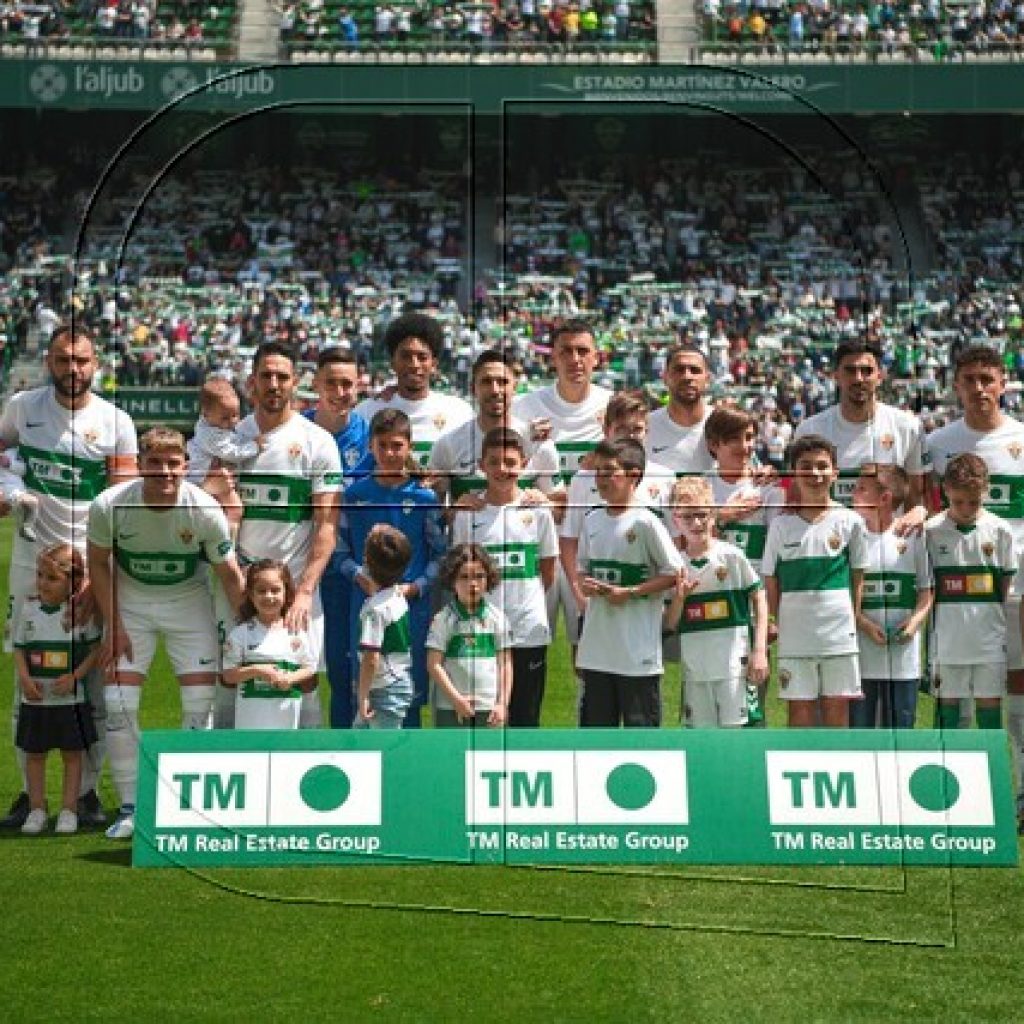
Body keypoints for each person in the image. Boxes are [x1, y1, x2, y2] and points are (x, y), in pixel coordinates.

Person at [0, 324, 138, 831]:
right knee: (30, 676)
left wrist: (97, 575)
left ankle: (83, 796)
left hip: (90, 566)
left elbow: (123, 502)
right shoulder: (22, 407)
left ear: (95, 363)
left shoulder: (116, 421)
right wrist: (9, 494)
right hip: (31, 560)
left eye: (80, 360)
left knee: (92, 680)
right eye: (62, 359)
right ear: (49, 362)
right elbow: (2, 463)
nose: (72, 370)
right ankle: (29, 794)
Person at [87, 427, 245, 840]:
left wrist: (252, 627)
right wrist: (113, 624)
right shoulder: (109, 505)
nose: (165, 472)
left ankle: (189, 805)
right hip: (130, 604)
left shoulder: (205, 509)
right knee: (118, 705)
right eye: (154, 463)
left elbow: (228, 574)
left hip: (188, 604)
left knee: (199, 703)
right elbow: (98, 564)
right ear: (140, 465)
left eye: (173, 464)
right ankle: (130, 808)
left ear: (185, 466)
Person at [215, 341, 342, 731]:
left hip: (295, 587)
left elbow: (326, 525)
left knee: (302, 688)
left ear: (295, 383)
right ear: (251, 382)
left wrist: (303, 590)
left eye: (282, 377)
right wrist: (236, 584)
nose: (273, 384)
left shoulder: (317, 441)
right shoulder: (228, 439)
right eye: (265, 376)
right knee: (228, 686)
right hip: (234, 582)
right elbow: (210, 520)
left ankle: (307, 785)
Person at [926, 345, 1024, 814]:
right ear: (956, 385)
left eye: (988, 379)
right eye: (970, 380)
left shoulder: (1022, 438)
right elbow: (925, 506)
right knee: (960, 697)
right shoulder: (939, 442)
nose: (979, 389)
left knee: (1015, 696)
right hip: (964, 593)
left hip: (1016, 591)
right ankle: (960, 798)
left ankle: (1016, 793)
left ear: (1002, 382)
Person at [339, 409, 446, 727]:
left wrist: (417, 588)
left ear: (409, 446)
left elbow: (440, 556)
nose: (389, 453)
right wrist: (356, 574)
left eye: (397, 445)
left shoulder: (424, 498)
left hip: (410, 608)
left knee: (406, 695)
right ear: (370, 446)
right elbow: (340, 550)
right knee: (365, 691)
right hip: (365, 603)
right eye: (382, 445)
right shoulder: (354, 495)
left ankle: (406, 771)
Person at [450, 427, 557, 726]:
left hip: (528, 631)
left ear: (523, 464)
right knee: (481, 718)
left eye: (510, 462)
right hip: (481, 632)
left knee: (525, 718)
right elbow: (458, 574)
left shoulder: (537, 511)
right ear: (481, 465)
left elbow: (548, 571)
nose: (502, 469)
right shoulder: (467, 514)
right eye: (494, 461)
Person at [573, 438, 682, 727]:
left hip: (637, 656)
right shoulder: (592, 519)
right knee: (596, 741)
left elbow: (675, 573)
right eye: (598, 471)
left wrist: (631, 592)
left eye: (609, 471)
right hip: (597, 652)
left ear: (633, 475)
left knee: (640, 741)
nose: (601, 479)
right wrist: (584, 584)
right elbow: (581, 568)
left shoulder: (646, 522)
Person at [763, 435, 869, 727]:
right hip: (796, 634)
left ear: (835, 473)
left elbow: (858, 574)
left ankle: (839, 771)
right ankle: (799, 769)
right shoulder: (781, 524)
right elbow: (770, 579)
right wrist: (781, 620)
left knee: (837, 708)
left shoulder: (850, 522)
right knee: (800, 711)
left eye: (823, 466)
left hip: (838, 634)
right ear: (794, 473)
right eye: (806, 466)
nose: (815, 474)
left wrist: (852, 615)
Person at [663, 477, 769, 729]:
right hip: (696, 668)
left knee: (736, 734)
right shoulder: (676, 565)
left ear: (713, 514)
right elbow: (670, 623)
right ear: (676, 520)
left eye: (702, 514)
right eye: (687, 517)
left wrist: (760, 650)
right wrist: (680, 598)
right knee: (701, 739)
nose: (696, 523)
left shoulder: (731, 556)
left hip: (734, 664)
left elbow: (759, 597)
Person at [302, 346, 370, 729]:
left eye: (348, 384)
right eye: (332, 383)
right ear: (316, 384)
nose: (340, 392)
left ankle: (352, 748)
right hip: (302, 566)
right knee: (301, 665)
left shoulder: (370, 438)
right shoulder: (297, 432)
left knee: (350, 667)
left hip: (351, 572)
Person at [925, 453, 1016, 732]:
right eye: (958, 502)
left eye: (974, 502)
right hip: (946, 642)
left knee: (989, 713)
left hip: (988, 639)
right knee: (947, 714)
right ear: (946, 491)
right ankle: (946, 774)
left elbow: (1003, 586)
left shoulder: (1000, 530)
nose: (966, 508)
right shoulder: (931, 531)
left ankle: (989, 773)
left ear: (986, 490)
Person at [14, 545, 101, 835]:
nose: (42, 583)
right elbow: (19, 648)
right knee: (35, 755)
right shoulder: (28, 608)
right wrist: (25, 680)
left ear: (73, 582)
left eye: (51, 578)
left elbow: (95, 650)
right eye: (39, 575)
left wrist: (76, 676)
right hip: (36, 702)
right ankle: (37, 809)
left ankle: (69, 810)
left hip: (70, 701)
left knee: (72, 755)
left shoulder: (80, 614)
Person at [795, 341, 929, 526]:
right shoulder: (810, 430)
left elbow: (915, 495)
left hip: (885, 547)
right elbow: (797, 494)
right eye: (850, 370)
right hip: (832, 544)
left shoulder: (908, 427)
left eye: (867, 370)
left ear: (880, 376)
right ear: (836, 376)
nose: (859, 378)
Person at [850, 464, 933, 729]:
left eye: (862, 489)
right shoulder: (851, 536)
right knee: (861, 736)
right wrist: (864, 623)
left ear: (884, 499)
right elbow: (845, 596)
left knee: (900, 735)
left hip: (903, 659)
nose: (853, 493)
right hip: (861, 657)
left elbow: (926, 590)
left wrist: (914, 623)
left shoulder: (913, 537)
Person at [429, 349, 561, 503]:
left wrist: (545, 503)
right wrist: (455, 511)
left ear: (515, 387)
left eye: (503, 382)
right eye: (486, 382)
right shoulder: (448, 445)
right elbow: (432, 514)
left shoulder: (538, 443)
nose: (495, 390)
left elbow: (560, 509)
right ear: (473, 388)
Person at [354, 312, 473, 470]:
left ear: (434, 364)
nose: (414, 364)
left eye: (422, 357)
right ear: (393, 362)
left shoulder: (459, 412)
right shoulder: (366, 412)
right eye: (405, 356)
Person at [222, 560, 316, 731]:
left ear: (286, 593)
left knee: (285, 755)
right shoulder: (241, 634)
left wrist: (290, 678)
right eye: (261, 591)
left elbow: (309, 668)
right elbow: (228, 675)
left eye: (275, 590)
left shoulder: (296, 632)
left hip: (286, 722)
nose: (269, 596)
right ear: (250, 595)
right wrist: (258, 670)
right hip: (250, 725)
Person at [427, 543, 513, 728]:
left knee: (488, 757)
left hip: (490, 710)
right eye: (464, 577)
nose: (472, 584)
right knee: (452, 756)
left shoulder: (497, 618)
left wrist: (502, 703)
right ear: (452, 581)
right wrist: (456, 700)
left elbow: (505, 663)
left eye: (479, 577)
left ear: (489, 579)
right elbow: (433, 664)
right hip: (451, 708)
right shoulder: (443, 619)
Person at [186, 377, 263, 536]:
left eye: (235, 415)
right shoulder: (208, 434)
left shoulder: (215, 425)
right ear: (206, 414)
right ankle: (228, 542)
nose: (232, 422)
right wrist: (254, 446)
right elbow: (231, 453)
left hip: (213, 479)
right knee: (235, 510)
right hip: (203, 480)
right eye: (225, 417)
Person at [355, 525, 414, 730]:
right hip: (394, 683)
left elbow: (371, 658)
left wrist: (362, 697)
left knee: (380, 754)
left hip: (384, 690)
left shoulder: (375, 610)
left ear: (368, 563)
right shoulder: (397, 594)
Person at [644, 342, 714, 475]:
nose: (687, 376)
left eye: (695, 370)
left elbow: (753, 473)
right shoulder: (645, 427)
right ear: (664, 377)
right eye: (679, 369)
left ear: (707, 379)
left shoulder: (726, 424)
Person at [0, 445, 39, 542]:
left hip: (18, 490)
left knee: (33, 502)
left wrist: (9, 463)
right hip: (6, 491)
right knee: (31, 502)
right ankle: (26, 527)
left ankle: (26, 527)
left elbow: (24, 470)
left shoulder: (13, 452)